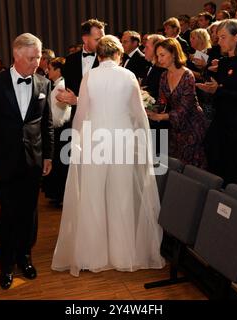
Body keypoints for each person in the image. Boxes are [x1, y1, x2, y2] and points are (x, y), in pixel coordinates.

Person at [51, 35, 165, 277]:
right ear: (118, 54)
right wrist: (144, 145)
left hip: (95, 144)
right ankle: (123, 255)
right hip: (123, 143)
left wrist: (77, 144)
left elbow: (80, 115)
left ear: (98, 55)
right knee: (122, 196)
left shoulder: (90, 76)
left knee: (93, 196)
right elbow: (139, 115)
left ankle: (93, 255)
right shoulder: (128, 76)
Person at [0, 33, 54, 290]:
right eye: (31, 58)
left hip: (33, 160)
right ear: (16, 55)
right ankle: (6, 264)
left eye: (38, 57)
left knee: (29, 212)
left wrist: (48, 155)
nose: (36, 63)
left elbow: (46, 123)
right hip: (2, 160)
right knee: (8, 213)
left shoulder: (43, 82)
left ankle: (24, 258)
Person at [197, 19, 237, 186]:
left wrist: (218, 90)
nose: (219, 41)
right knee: (214, 156)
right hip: (221, 119)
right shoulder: (223, 62)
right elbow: (220, 91)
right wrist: (211, 89)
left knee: (236, 167)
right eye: (218, 38)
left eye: (223, 37)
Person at [148, 38, 208, 168]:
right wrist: (150, 108)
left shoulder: (187, 75)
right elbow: (162, 101)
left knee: (190, 167)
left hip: (192, 124)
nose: (159, 59)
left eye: (162, 55)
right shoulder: (164, 75)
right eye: (158, 56)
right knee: (176, 163)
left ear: (174, 54)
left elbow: (185, 107)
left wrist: (161, 116)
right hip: (175, 124)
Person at [57, 19, 106, 116]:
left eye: (103, 39)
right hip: (78, 116)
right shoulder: (70, 60)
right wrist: (66, 97)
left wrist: (77, 100)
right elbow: (70, 90)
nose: (102, 43)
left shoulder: (107, 59)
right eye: (97, 40)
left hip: (101, 116)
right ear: (85, 39)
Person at [43, 57, 71, 207]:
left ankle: (61, 195)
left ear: (58, 70)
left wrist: (47, 126)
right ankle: (57, 194)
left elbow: (58, 114)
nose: (48, 71)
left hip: (60, 129)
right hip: (57, 129)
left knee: (61, 164)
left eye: (51, 68)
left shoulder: (61, 85)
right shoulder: (57, 85)